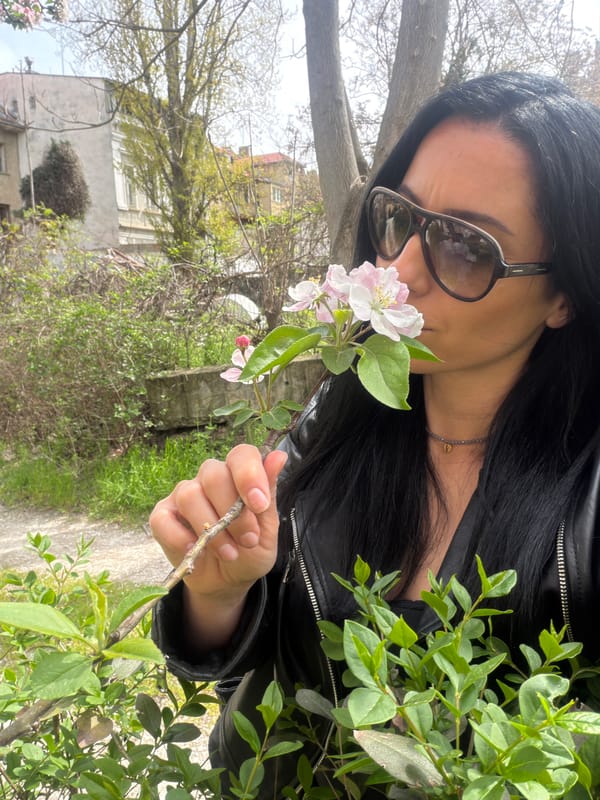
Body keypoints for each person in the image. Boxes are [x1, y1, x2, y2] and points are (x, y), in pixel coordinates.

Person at [150, 71, 600, 794]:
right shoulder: (339, 417)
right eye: (401, 217)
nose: (399, 269)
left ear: (565, 296)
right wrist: (218, 591)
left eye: (466, 245)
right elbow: (244, 663)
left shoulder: (587, 495)